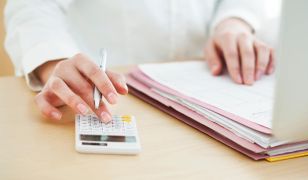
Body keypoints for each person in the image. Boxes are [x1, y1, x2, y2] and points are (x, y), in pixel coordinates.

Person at [4, 0, 279, 122]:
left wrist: (234, 22)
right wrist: (55, 63)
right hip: (105, 95)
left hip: (210, 83)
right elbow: (32, 6)